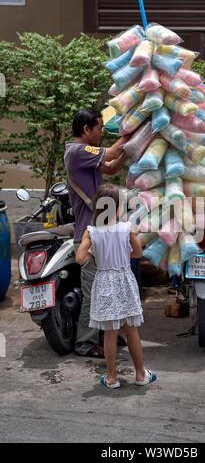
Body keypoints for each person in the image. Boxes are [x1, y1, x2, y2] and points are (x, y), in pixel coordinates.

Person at [75, 183, 157, 388]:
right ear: (118, 208)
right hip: (124, 281)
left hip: (103, 282)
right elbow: (138, 253)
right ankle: (140, 374)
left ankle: (111, 378)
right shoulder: (126, 229)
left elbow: (79, 258)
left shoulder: (91, 232)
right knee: (131, 330)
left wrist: (94, 253)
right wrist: (121, 254)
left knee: (110, 333)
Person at [64, 108, 128, 358]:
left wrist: (129, 150)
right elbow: (111, 152)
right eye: (99, 127)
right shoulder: (77, 151)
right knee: (93, 292)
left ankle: (105, 334)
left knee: (108, 288)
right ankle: (85, 343)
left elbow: (111, 166)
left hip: (103, 232)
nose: (102, 132)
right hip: (89, 236)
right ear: (86, 130)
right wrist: (132, 131)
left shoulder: (87, 156)